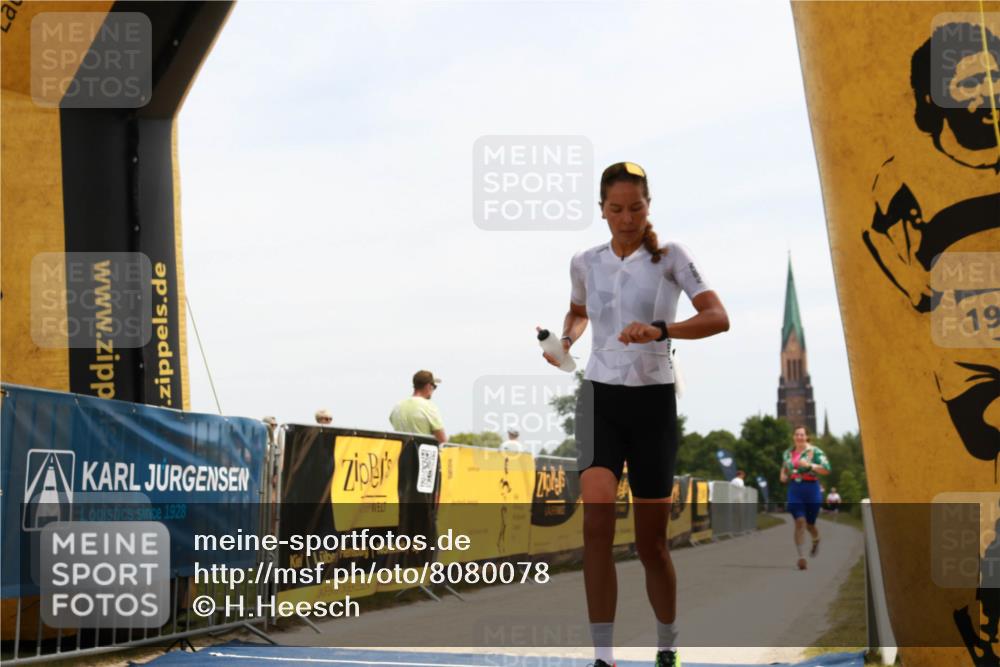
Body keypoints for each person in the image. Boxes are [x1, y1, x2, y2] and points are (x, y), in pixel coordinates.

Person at [542, 161, 729, 667]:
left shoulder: (671, 257)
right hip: (600, 397)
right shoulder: (584, 260)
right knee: (595, 529)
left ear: (649, 207)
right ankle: (603, 656)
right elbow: (579, 313)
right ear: (601, 210)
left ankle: (667, 644)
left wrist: (661, 329)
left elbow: (718, 317)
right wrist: (564, 341)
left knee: (652, 545)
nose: (626, 218)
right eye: (616, 209)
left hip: (652, 402)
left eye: (636, 208)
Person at [779, 426, 831, 570]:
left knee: (810, 524)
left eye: (802, 435)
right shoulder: (788, 453)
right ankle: (801, 557)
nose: (799, 437)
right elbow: (784, 466)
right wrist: (782, 475)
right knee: (799, 522)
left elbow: (826, 469)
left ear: (807, 437)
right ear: (793, 437)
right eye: (797, 434)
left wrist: (810, 465)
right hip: (795, 489)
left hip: (812, 488)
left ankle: (816, 539)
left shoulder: (815, 452)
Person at [389, 370, 447, 443]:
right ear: (429, 386)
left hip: (401, 453)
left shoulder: (397, 407)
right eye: (434, 386)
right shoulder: (429, 407)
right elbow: (442, 440)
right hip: (421, 453)